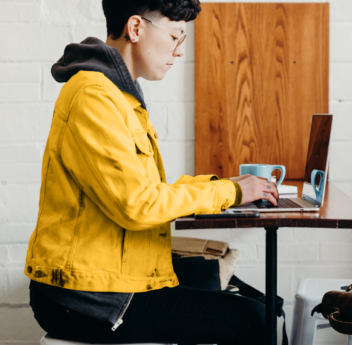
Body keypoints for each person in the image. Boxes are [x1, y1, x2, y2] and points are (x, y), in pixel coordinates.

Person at [27, 0, 279, 344]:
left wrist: (226, 186)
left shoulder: (118, 95)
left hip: (115, 281)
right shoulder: (94, 96)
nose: (178, 52)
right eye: (176, 36)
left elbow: (146, 191)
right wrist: (230, 193)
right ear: (136, 28)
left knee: (258, 300)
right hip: (87, 299)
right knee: (254, 319)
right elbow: (138, 204)